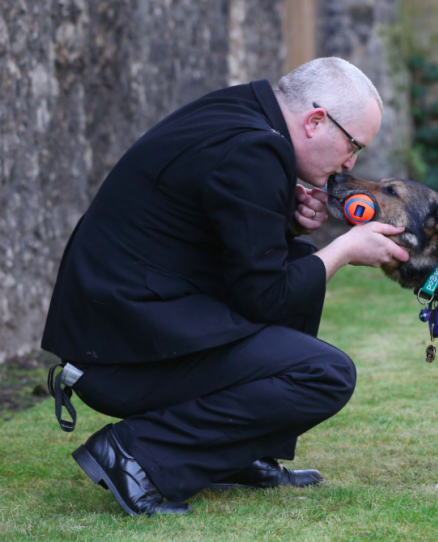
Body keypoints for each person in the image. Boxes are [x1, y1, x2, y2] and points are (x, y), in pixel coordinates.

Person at [41, 57, 409, 516]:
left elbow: (224, 244)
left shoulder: (242, 114)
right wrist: (344, 249)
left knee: (297, 260)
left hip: (122, 326)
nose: (349, 164)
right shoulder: (253, 148)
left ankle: (237, 453)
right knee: (325, 374)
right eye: (352, 146)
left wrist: (288, 227)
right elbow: (265, 297)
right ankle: (137, 455)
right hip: (119, 357)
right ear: (316, 121)